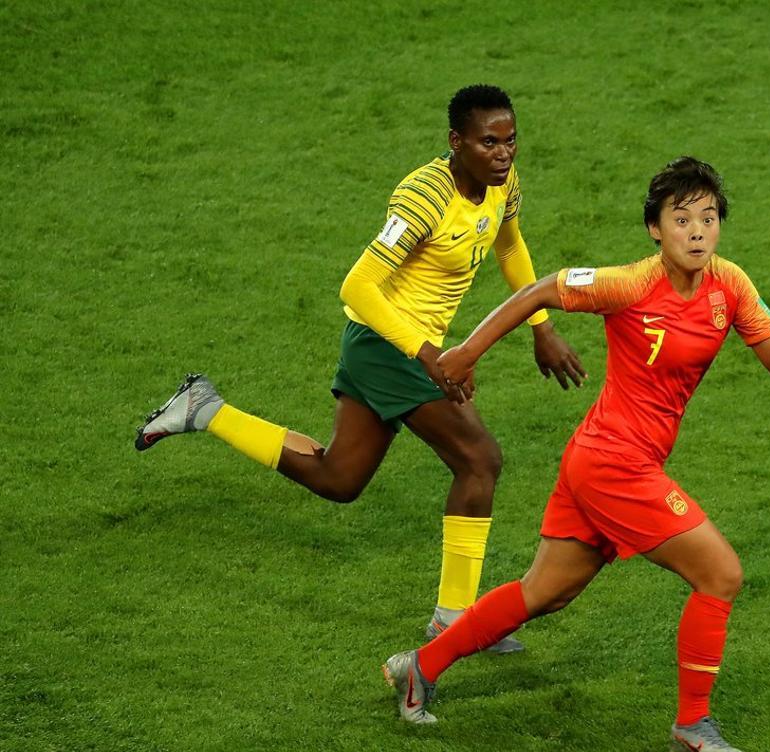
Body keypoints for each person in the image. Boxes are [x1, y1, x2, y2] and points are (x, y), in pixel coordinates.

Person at [382, 156, 770, 752]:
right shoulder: (632, 284)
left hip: (601, 458)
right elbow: (543, 288)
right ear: (654, 229)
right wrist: (467, 352)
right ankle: (693, 727)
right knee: (721, 575)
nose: (696, 231)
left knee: (545, 593)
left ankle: (418, 668)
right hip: (616, 465)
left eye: (708, 219)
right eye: (681, 218)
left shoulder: (730, 286)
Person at [134, 84, 586, 652]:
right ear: (456, 142)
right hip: (386, 344)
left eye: (510, 140)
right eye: (488, 142)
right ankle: (454, 619)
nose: (503, 153)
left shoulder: (502, 186)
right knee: (480, 460)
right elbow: (358, 285)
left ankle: (205, 409)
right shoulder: (424, 197)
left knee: (338, 479)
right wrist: (428, 354)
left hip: (403, 350)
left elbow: (509, 247)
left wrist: (541, 327)